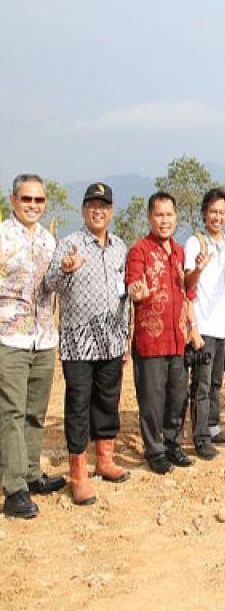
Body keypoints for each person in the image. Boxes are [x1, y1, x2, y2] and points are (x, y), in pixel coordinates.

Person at [43, 182, 130, 505]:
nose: (98, 211)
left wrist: (125, 336)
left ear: (110, 211)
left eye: (104, 206)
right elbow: (49, 284)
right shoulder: (69, 244)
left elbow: (126, 296)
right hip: (78, 342)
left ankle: (104, 460)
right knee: (78, 405)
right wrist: (66, 270)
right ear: (84, 210)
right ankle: (78, 474)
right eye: (93, 205)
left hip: (111, 339)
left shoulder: (120, 246)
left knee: (107, 400)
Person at [0, 174, 64, 518]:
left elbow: (51, 286)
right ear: (13, 200)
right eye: (27, 199)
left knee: (35, 410)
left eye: (39, 200)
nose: (33, 206)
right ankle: (13, 489)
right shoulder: (2, 237)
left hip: (43, 337)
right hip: (9, 337)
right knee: (10, 411)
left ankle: (29, 472)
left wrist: (66, 271)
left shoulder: (48, 241)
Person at [126, 192, 192, 474]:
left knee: (177, 396)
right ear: (150, 217)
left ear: (175, 217)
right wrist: (137, 291)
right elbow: (133, 285)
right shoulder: (139, 250)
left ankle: (173, 443)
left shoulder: (179, 252)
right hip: (151, 340)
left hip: (177, 338)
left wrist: (192, 329)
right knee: (152, 399)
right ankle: (154, 450)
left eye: (169, 215)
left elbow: (187, 292)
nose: (164, 220)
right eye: (159, 215)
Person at [182, 188, 225, 459]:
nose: (217, 217)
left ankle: (214, 427)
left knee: (216, 381)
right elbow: (186, 285)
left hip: (220, 324)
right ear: (204, 214)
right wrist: (199, 268)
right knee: (201, 385)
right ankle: (201, 437)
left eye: (222, 213)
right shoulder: (195, 244)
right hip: (202, 326)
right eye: (212, 212)